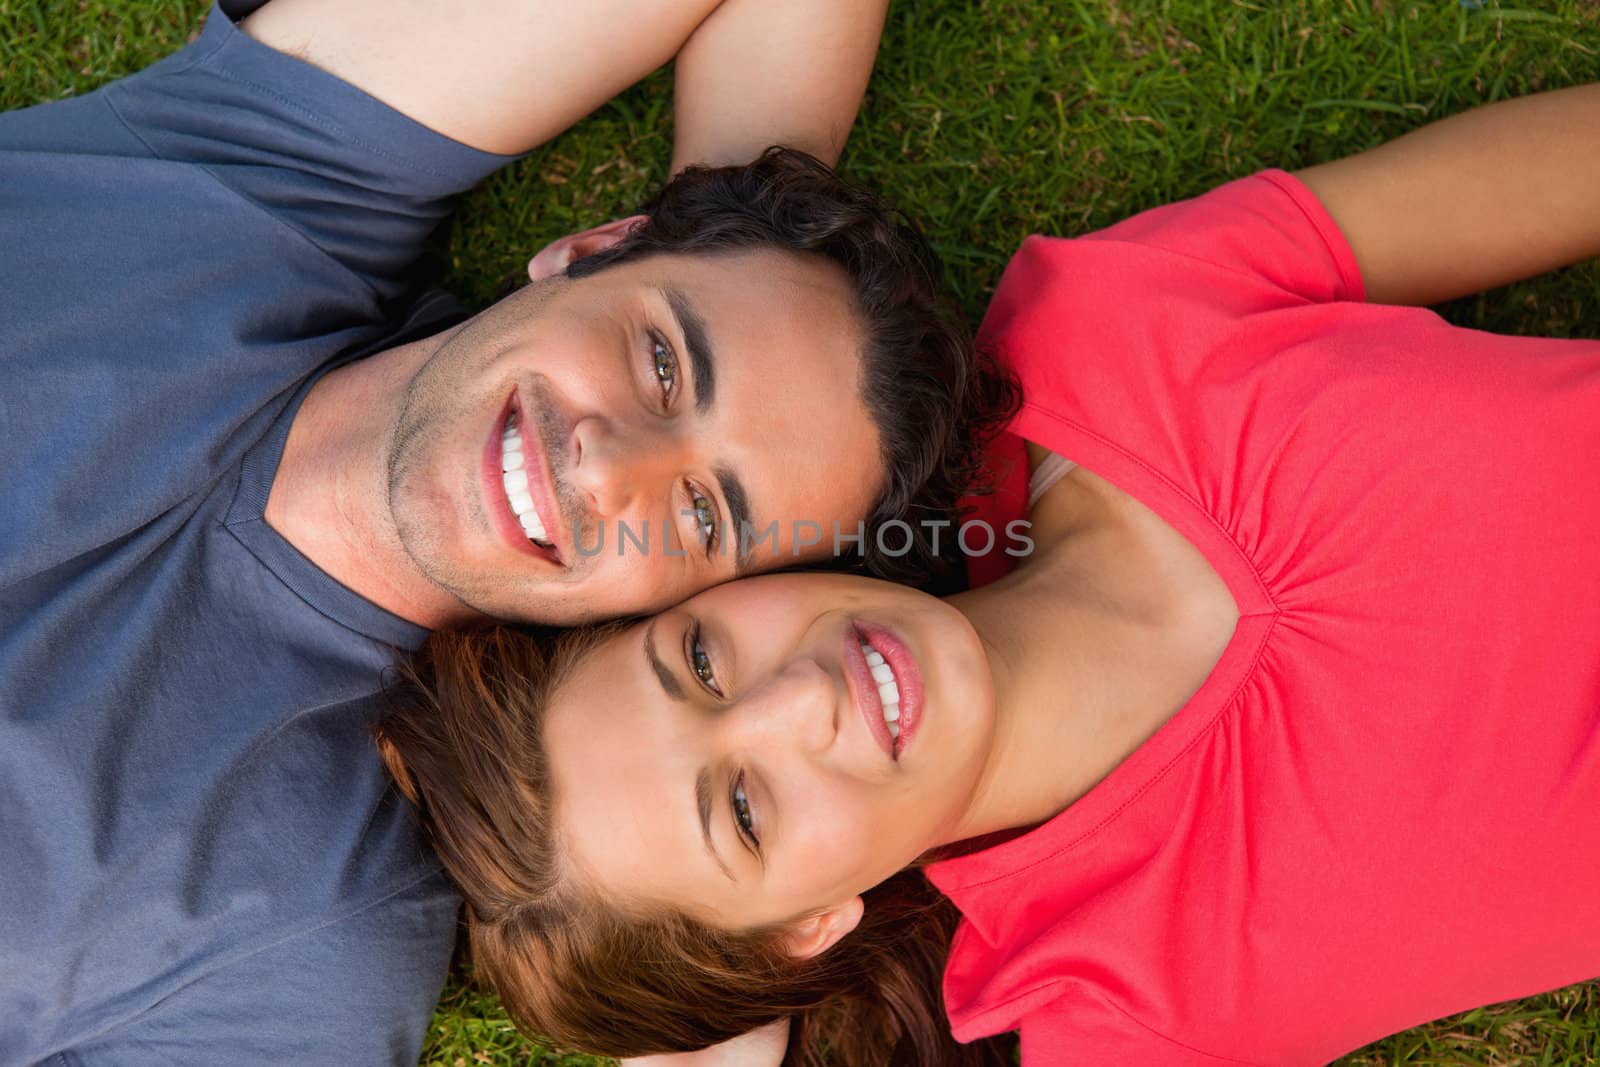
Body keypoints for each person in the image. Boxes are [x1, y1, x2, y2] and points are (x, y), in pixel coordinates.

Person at [377, 81, 1600, 1065]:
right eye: (743, 809)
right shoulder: (1123, 1008)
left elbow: (1539, 177)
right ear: (811, 928)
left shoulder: (1093, 336)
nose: (800, 697)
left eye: (697, 659)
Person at [0, 0, 1014, 1062]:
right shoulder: (245, 187)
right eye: (663, 362)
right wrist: (736, 215)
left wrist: (679, 295)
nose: (608, 463)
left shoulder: (303, 919)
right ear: (589, 246)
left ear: (689, 600)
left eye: (704, 510)